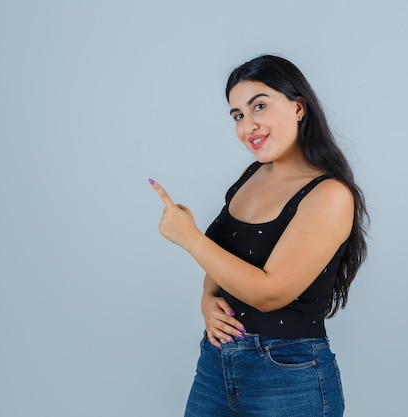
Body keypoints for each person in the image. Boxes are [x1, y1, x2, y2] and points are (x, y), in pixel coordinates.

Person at [149, 54, 368, 417]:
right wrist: (207, 300)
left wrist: (189, 238)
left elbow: (270, 293)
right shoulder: (252, 174)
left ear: (298, 108)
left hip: (288, 376)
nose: (247, 126)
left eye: (259, 106)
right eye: (238, 115)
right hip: (215, 365)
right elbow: (229, 254)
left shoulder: (329, 195)